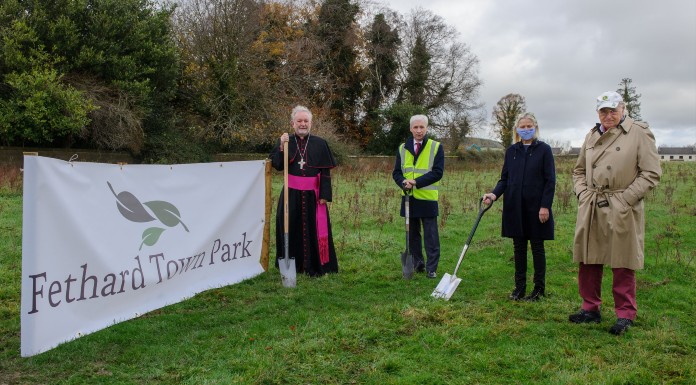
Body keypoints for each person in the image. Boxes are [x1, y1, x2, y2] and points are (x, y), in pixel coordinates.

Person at [568, 91, 661, 335]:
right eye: (603, 111)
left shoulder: (638, 133)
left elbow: (651, 172)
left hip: (622, 206)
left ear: (622, 109)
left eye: (613, 110)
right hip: (592, 204)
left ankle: (625, 314)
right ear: (597, 112)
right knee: (588, 259)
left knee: (623, 262)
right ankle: (590, 309)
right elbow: (578, 171)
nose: (608, 115)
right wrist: (582, 193)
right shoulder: (591, 135)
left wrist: (625, 199)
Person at [483, 112, 556, 301]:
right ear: (517, 129)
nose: (525, 129)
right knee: (519, 248)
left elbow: (550, 181)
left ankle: (538, 289)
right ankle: (519, 287)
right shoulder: (512, 151)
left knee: (537, 247)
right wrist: (493, 194)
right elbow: (505, 179)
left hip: (536, 207)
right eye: (522, 127)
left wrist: (545, 206)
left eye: (529, 126)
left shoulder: (544, 150)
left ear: (535, 127)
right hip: (515, 206)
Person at [269, 105, 338, 276]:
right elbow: (277, 165)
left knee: (314, 229)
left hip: (313, 195)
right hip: (290, 195)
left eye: (306, 121)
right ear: (292, 123)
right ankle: (293, 264)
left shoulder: (320, 143)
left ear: (311, 123)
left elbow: (325, 172)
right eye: (299, 120)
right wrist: (281, 147)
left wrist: (324, 195)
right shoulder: (285, 141)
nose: (303, 124)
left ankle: (315, 265)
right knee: (289, 228)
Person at [392, 114, 445, 279]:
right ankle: (417, 264)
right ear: (410, 129)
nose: (419, 130)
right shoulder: (402, 148)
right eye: (416, 127)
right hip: (409, 199)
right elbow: (397, 172)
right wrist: (403, 182)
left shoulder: (436, 147)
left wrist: (415, 182)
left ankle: (431, 268)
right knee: (412, 235)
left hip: (427, 198)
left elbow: (437, 173)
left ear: (427, 128)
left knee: (431, 236)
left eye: (422, 127)